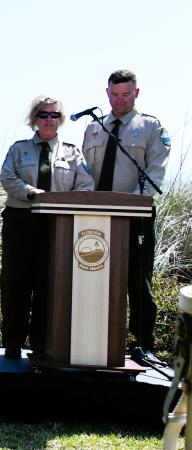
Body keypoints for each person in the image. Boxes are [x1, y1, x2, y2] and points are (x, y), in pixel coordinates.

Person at [81, 69, 171, 362]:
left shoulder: (150, 127)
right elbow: (84, 173)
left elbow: (154, 173)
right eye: (115, 94)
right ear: (107, 93)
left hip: (136, 218)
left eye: (126, 94)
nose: (120, 100)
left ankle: (144, 344)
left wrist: (127, 204)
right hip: (94, 218)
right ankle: (94, 341)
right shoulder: (94, 128)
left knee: (138, 282)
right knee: (94, 280)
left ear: (136, 93)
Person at [0, 97, 95, 359]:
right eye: (43, 115)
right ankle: (12, 343)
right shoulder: (19, 150)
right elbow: (7, 177)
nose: (49, 120)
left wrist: (65, 203)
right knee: (16, 283)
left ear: (61, 119)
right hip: (21, 220)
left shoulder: (73, 152)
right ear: (34, 119)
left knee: (49, 284)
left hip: (57, 225)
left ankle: (42, 344)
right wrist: (31, 192)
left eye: (54, 115)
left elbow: (86, 185)